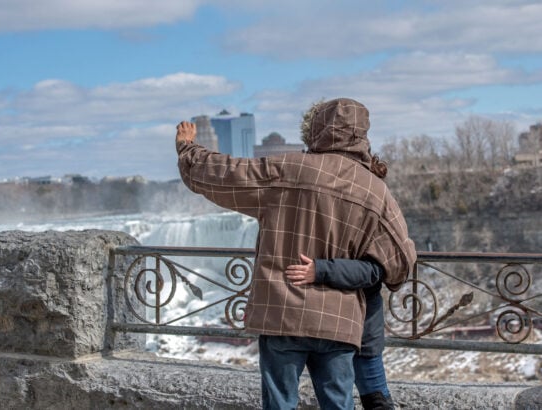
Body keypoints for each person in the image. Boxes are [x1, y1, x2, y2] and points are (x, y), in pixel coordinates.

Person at [176, 98, 416, 409]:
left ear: (317, 129)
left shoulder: (288, 168)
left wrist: (188, 150)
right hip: (338, 321)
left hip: (282, 313)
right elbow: (398, 263)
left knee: (279, 403)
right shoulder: (375, 192)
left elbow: (224, 174)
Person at [286, 255, 394, 409]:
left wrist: (322, 270)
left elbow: (384, 267)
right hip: (315, 322)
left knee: (375, 399)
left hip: (363, 322)